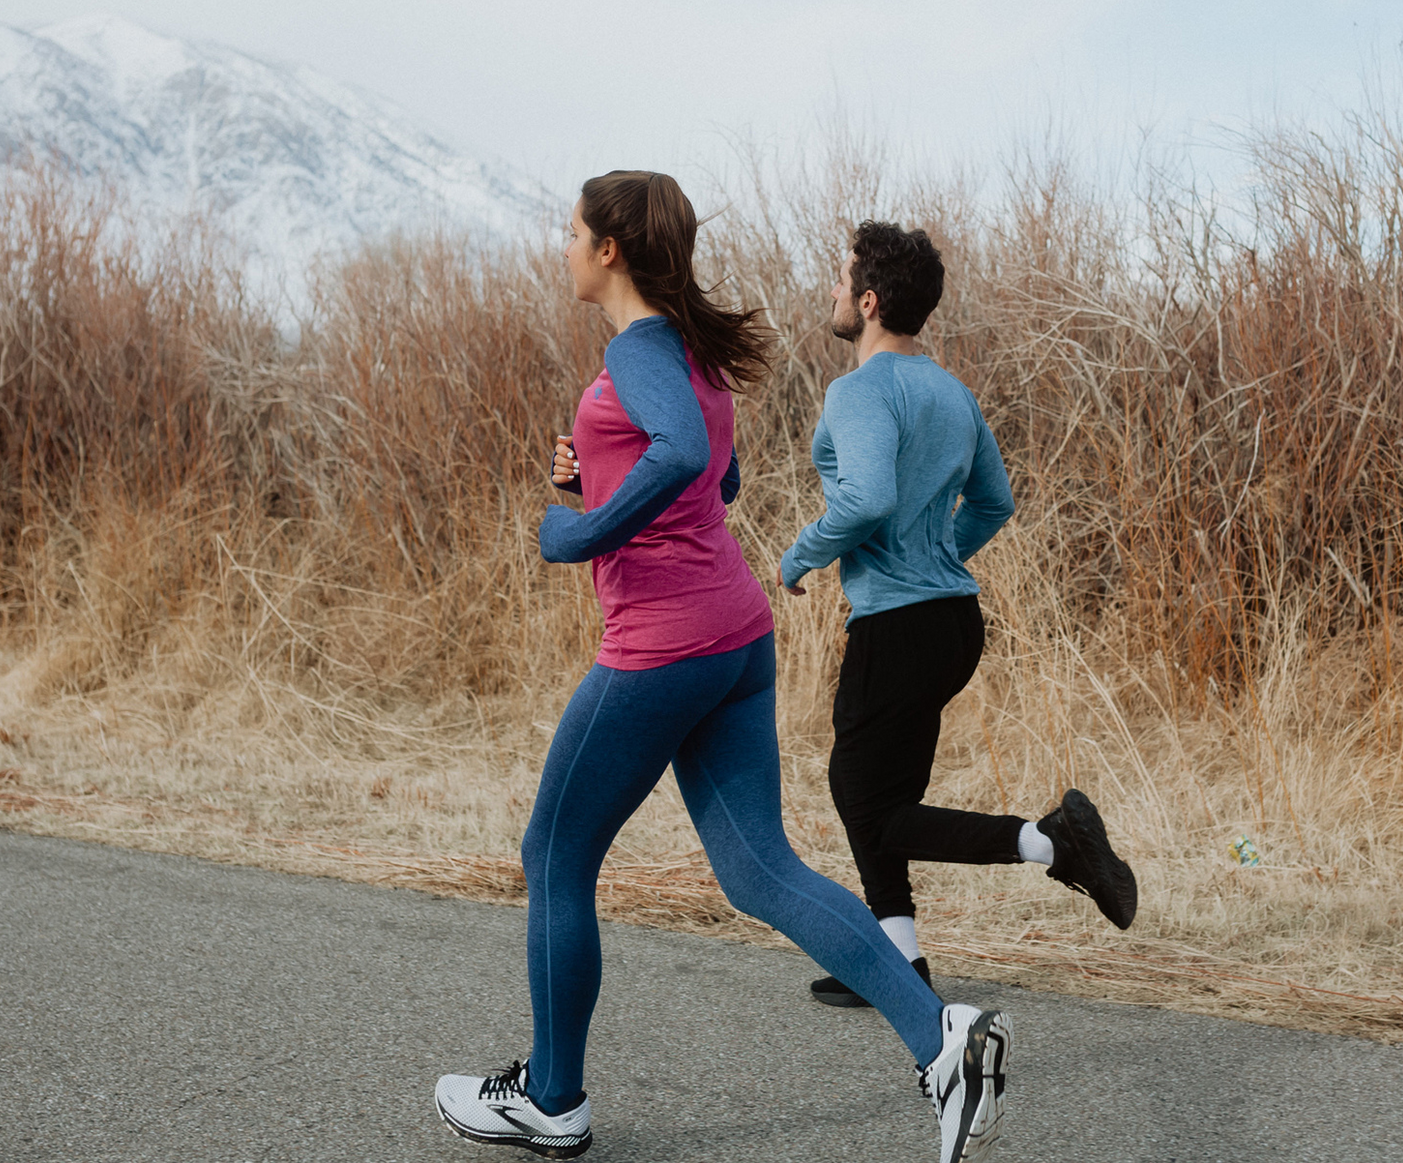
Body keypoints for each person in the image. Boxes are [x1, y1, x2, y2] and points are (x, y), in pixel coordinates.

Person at [432, 174, 1011, 1163]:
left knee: (555, 854)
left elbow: (678, 454)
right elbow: (717, 473)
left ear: (610, 249)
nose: (561, 246)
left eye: (571, 232)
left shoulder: (639, 348)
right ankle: (940, 1039)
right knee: (759, 868)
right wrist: (595, 473)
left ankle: (553, 1098)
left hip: (662, 643)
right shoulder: (690, 350)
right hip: (734, 634)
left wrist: (579, 530)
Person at [777, 221, 1138, 1009]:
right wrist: (938, 554)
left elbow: (866, 499)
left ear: (868, 301)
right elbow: (994, 502)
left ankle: (1050, 842)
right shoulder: (951, 392)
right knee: (883, 798)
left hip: (898, 626)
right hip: (952, 622)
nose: (833, 290)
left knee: (863, 798)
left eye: (841, 278)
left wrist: (799, 556)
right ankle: (900, 965)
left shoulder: (859, 391)